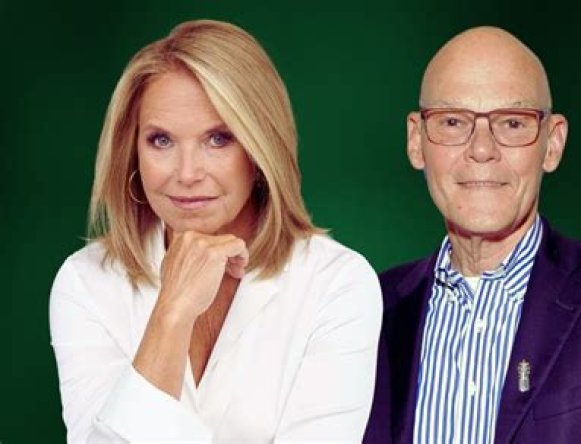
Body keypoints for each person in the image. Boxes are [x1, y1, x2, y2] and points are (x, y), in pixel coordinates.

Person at [364, 27, 581, 444]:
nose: (482, 149)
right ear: (416, 140)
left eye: (512, 123)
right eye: (452, 122)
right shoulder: (368, 311)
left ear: (552, 143)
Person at [49, 19, 382, 443]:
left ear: (260, 150)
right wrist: (172, 314)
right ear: (132, 153)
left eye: (218, 139)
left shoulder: (337, 283)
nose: (187, 174)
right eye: (161, 141)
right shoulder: (87, 281)